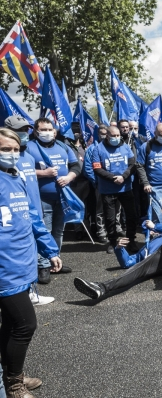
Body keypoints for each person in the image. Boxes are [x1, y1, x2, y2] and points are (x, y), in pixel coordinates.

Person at [0, 127, 62, 397]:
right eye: (5, 150)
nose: (13, 155)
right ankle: (13, 385)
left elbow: (33, 219)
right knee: (26, 324)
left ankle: (12, 376)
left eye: (16, 150)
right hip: (5, 268)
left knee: (12, 325)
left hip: (23, 264)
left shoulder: (16, 178)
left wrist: (50, 250)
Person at [73, 219, 162, 300]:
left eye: (153, 230)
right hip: (156, 263)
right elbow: (127, 263)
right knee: (136, 269)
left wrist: (156, 226)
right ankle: (101, 288)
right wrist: (119, 248)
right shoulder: (143, 251)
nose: (152, 232)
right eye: (149, 232)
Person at [26, 118, 80, 281]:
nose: (47, 132)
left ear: (55, 131)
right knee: (44, 230)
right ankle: (43, 265)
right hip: (41, 197)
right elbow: (21, 169)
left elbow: (76, 166)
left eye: (50, 129)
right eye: (43, 130)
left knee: (58, 230)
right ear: (36, 131)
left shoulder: (63, 146)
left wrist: (69, 177)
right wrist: (44, 174)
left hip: (62, 196)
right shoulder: (29, 147)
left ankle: (55, 261)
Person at [92, 125, 139, 255]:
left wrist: (123, 177)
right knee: (110, 219)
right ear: (107, 136)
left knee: (131, 216)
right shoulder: (98, 149)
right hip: (108, 189)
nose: (116, 138)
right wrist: (113, 178)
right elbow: (97, 168)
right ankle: (112, 242)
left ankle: (131, 240)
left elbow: (132, 164)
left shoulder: (125, 147)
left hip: (125, 187)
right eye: (113, 136)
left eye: (118, 135)